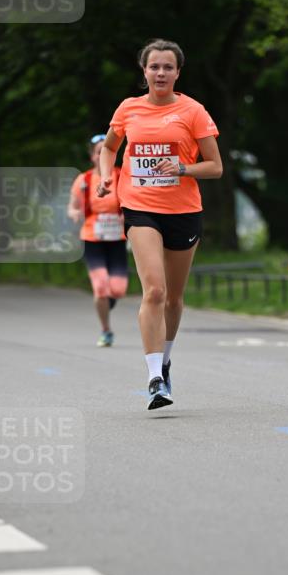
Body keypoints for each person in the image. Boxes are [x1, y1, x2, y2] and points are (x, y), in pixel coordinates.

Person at [97, 39, 222, 409]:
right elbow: (109, 148)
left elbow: (215, 167)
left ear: (178, 72)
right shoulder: (128, 109)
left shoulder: (193, 110)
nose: (161, 73)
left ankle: (165, 362)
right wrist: (107, 175)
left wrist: (182, 168)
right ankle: (154, 378)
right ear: (144, 71)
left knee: (174, 298)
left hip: (183, 210)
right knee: (154, 290)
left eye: (168, 67)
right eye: (155, 67)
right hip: (140, 207)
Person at [67, 135, 128, 346]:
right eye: (98, 151)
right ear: (93, 156)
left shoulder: (122, 176)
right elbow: (72, 206)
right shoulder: (84, 180)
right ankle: (106, 330)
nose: (103, 155)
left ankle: (103, 303)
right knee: (101, 286)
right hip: (92, 238)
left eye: (106, 151)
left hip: (118, 238)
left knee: (118, 289)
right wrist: (75, 213)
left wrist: (126, 214)